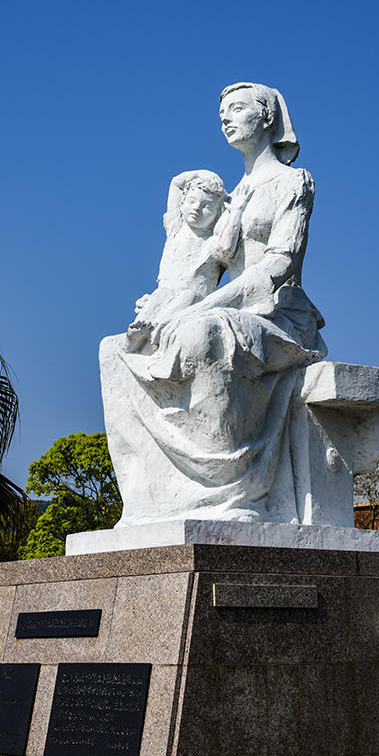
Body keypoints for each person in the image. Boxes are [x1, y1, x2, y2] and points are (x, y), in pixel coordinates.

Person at [99, 82, 327, 526]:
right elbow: (207, 267)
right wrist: (164, 302)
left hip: (277, 314)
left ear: (267, 117)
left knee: (205, 330)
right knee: (114, 349)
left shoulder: (293, 182)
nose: (225, 118)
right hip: (222, 307)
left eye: (237, 108)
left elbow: (279, 263)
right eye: (222, 111)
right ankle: (148, 500)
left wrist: (197, 310)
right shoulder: (228, 196)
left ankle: (230, 493)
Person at [125, 170, 251, 352]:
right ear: (183, 202)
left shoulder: (210, 243)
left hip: (192, 302)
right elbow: (176, 183)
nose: (196, 208)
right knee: (153, 304)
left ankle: (155, 329)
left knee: (188, 296)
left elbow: (226, 248)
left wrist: (236, 212)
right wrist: (204, 174)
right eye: (192, 201)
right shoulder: (175, 227)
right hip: (163, 293)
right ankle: (136, 337)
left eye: (207, 206)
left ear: (218, 212)